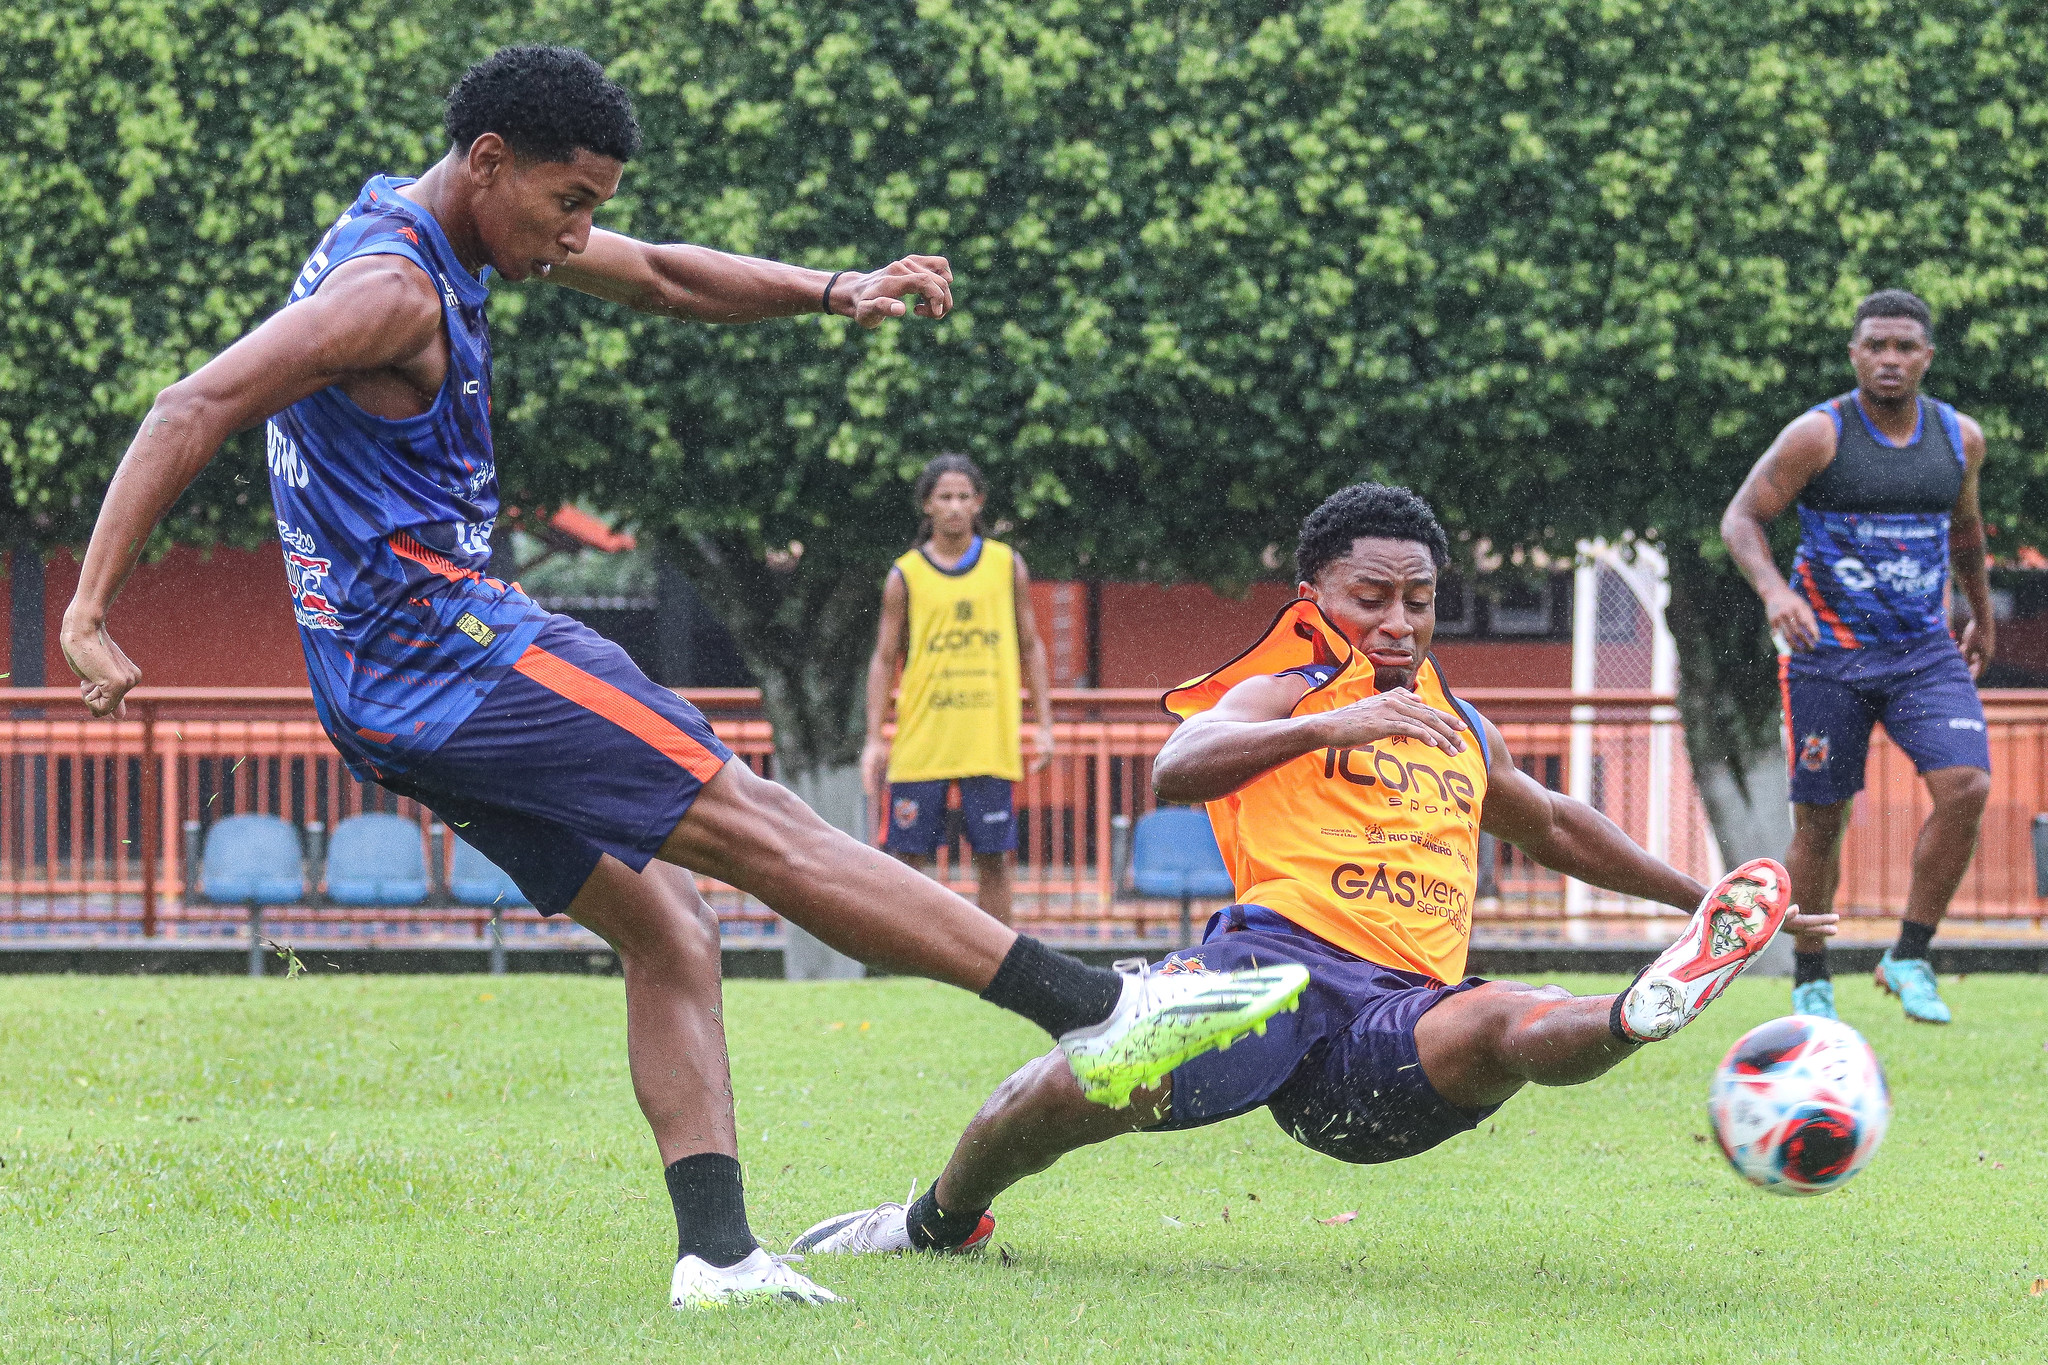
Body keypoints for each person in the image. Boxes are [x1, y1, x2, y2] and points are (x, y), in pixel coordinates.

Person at [56, 46, 1308, 1309]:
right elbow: (189, 404)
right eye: (568, 202)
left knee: (668, 924)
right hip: (456, 651)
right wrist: (92, 608)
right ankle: (1091, 1005)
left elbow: (656, 273)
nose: (579, 232)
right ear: (489, 163)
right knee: (756, 820)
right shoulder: (392, 293)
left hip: (380, 691)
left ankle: (715, 1255)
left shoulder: (429, 225)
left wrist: (834, 290)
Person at [792, 483, 1839, 1257]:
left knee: (1506, 1019)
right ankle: (935, 1224)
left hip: (1391, 1027)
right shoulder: (1282, 691)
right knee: (1070, 1088)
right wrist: (1329, 720)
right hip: (1265, 976)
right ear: (1314, 595)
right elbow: (1174, 766)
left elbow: (1555, 825)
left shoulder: (1455, 725)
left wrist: (1695, 898)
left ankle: (1637, 1013)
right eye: (1369, 598)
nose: (1396, 622)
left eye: (1418, 602)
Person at [1721, 289, 1992, 1025]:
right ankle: (1810, 974)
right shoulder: (1820, 435)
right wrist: (1776, 592)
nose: (1890, 359)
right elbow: (1742, 517)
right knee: (1821, 822)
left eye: (1905, 346)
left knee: (1967, 786)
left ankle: (1910, 954)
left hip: (1923, 654)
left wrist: (1982, 611)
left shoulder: (1958, 438)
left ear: (1927, 356)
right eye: (1876, 345)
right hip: (1827, 656)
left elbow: (1965, 531)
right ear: (1854, 353)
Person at [861, 454, 1054, 926]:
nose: (954, 506)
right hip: (922, 739)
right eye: (944, 497)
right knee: (908, 864)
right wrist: (873, 739)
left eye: (964, 496)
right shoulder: (905, 574)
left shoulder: (1006, 565)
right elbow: (885, 659)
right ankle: (911, 966)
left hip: (986, 737)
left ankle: (1004, 973)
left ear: (979, 503)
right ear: (927, 505)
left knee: (994, 861)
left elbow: (1030, 646)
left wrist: (1045, 726)